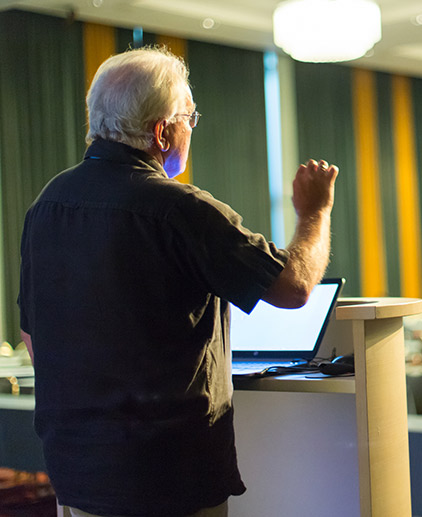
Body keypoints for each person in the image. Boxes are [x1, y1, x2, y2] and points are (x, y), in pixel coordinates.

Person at [17, 47, 337, 517]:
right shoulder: (180, 208)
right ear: (162, 131)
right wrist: (315, 213)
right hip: (167, 473)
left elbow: (31, 335)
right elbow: (294, 287)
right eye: (190, 117)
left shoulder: (47, 205)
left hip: (77, 466)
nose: (192, 128)